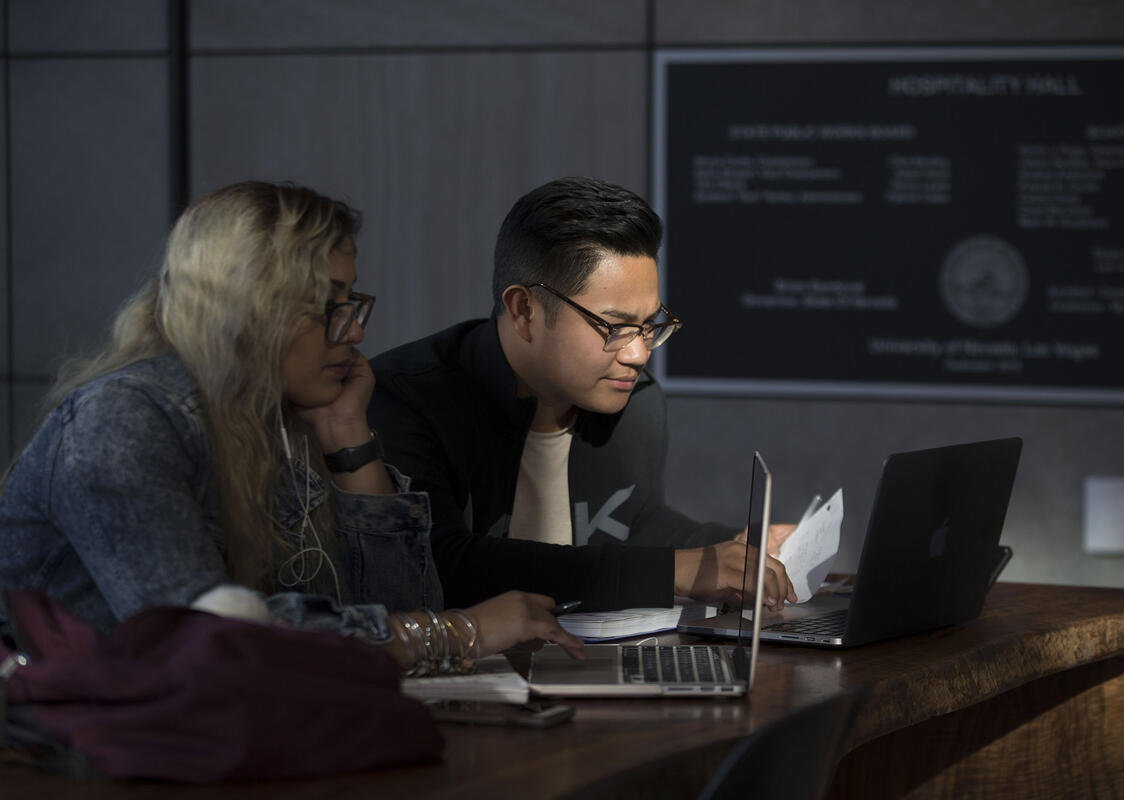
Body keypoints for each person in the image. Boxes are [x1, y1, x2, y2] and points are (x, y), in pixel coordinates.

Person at [0, 180, 583, 671]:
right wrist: (460, 632)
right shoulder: (124, 420)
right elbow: (211, 642)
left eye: (351, 303)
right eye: (327, 305)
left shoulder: (276, 423)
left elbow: (402, 614)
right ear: (245, 310)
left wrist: (348, 440)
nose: (353, 332)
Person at [369, 176, 796, 611]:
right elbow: (441, 566)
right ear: (524, 310)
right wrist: (673, 570)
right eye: (614, 327)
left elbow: (630, 520)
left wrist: (725, 546)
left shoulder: (637, 402)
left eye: (649, 325)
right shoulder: (406, 400)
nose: (638, 353)